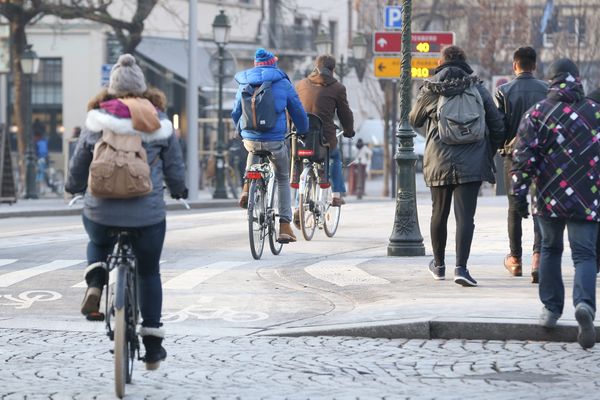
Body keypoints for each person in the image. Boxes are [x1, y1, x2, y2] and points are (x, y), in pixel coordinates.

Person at [65, 54, 187, 369]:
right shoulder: (159, 122)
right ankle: (152, 345)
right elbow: (174, 168)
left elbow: (78, 165)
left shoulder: (95, 120)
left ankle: (96, 276)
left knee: (97, 237)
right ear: (142, 89)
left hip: (101, 210)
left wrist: (74, 187)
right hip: (147, 213)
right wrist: (178, 190)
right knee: (148, 271)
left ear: (113, 89)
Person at [511, 59, 600, 349]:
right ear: (577, 79)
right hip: (587, 195)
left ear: (550, 81)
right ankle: (585, 305)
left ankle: (551, 309)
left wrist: (519, 194)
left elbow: (524, 157)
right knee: (585, 254)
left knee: (550, 249)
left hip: (549, 194)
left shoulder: (537, 113)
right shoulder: (594, 112)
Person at [409, 45, 505, 287]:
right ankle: (461, 268)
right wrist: (486, 151)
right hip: (471, 163)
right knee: (465, 218)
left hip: (438, 159)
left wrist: (433, 132)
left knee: (439, 213)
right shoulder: (478, 88)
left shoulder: (430, 88)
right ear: (464, 62)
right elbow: (498, 126)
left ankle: (439, 265)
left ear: (441, 62)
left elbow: (413, 119)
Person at [231, 48, 308, 243]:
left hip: (250, 138)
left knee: (252, 148)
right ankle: (283, 225)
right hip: (275, 139)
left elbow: (236, 112)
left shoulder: (244, 82)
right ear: (273, 63)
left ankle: (247, 188)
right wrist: (303, 129)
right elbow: (297, 110)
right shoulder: (282, 83)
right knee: (282, 177)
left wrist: (241, 130)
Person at [494, 46, 548, 283]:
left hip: (512, 156)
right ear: (534, 66)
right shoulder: (547, 90)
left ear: (515, 65)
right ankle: (538, 257)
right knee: (540, 206)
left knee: (514, 206)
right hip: (542, 156)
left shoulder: (503, 91)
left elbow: (498, 127)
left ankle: (515, 260)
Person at [294, 54, 355, 209]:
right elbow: (345, 113)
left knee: (299, 163)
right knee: (334, 157)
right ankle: (336, 195)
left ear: (316, 67)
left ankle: (297, 204)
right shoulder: (337, 88)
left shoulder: (300, 85)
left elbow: (292, 109)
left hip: (300, 137)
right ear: (333, 70)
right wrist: (348, 130)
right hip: (324, 139)